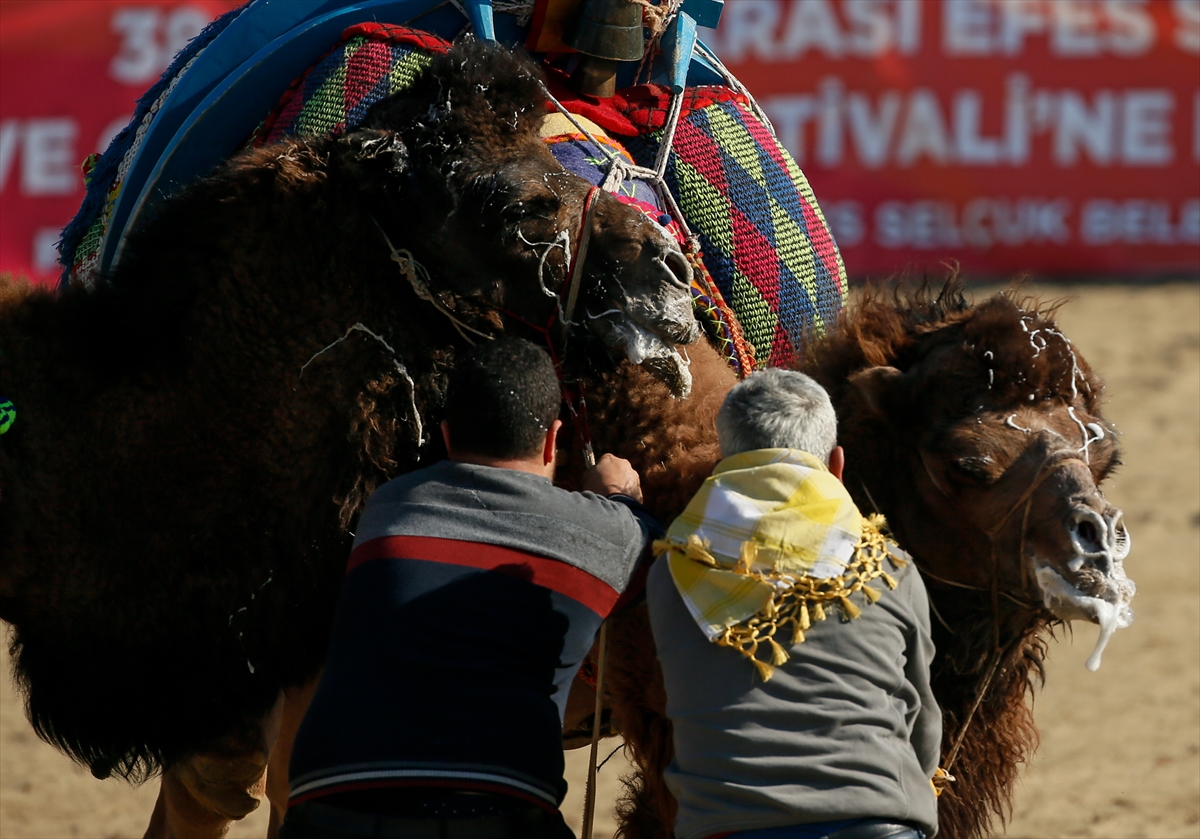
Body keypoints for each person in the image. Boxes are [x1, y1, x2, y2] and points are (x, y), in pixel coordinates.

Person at [282, 337, 657, 838]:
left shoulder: (388, 507)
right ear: (552, 442)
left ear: (445, 434)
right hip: (486, 814)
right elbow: (653, 552)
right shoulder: (601, 531)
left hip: (323, 813)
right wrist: (618, 497)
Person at [647, 368, 942, 839]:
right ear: (837, 466)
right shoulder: (887, 568)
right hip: (878, 824)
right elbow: (922, 730)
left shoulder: (670, 572)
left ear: (722, 460)